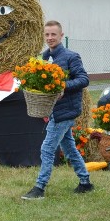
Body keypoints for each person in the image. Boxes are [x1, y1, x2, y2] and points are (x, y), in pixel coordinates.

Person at [22, 21, 93, 200]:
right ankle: (85, 182)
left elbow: (84, 79)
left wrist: (63, 85)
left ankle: (39, 187)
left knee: (47, 148)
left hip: (66, 111)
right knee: (69, 147)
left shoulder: (71, 56)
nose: (50, 38)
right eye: (47, 35)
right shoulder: (44, 58)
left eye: (53, 34)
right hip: (54, 110)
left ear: (61, 36)